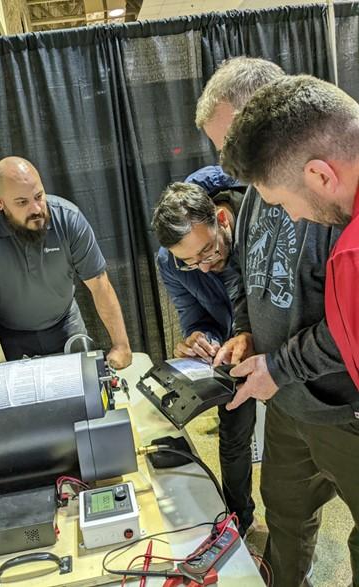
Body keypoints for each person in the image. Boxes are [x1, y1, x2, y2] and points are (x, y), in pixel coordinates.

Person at [220, 72, 359, 586]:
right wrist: (248, 332)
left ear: (318, 174)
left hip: (340, 407)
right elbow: (247, 274)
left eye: (284, 203)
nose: (291, 217)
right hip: (289, 402)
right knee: (285, 509)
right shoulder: (303, 194)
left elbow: (344, 331)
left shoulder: (347, 239)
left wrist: (280, 365)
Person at [0, 156, 132, 369]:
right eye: (22, 202)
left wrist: (121, 346)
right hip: (13, 334)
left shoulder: (68, 219)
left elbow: (100, 285)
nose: (36, 209)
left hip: (66, 323)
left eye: (39, 196)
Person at [152, 174, 255, 537]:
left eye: (208, 251)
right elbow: (196, 317)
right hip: (232, 354)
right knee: (233, 436)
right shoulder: (171, 263)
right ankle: (240, 521)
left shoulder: (256, 221)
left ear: (221, 219)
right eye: (191, 262)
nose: (205, 266)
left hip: (281, 346)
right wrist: (199, 339)